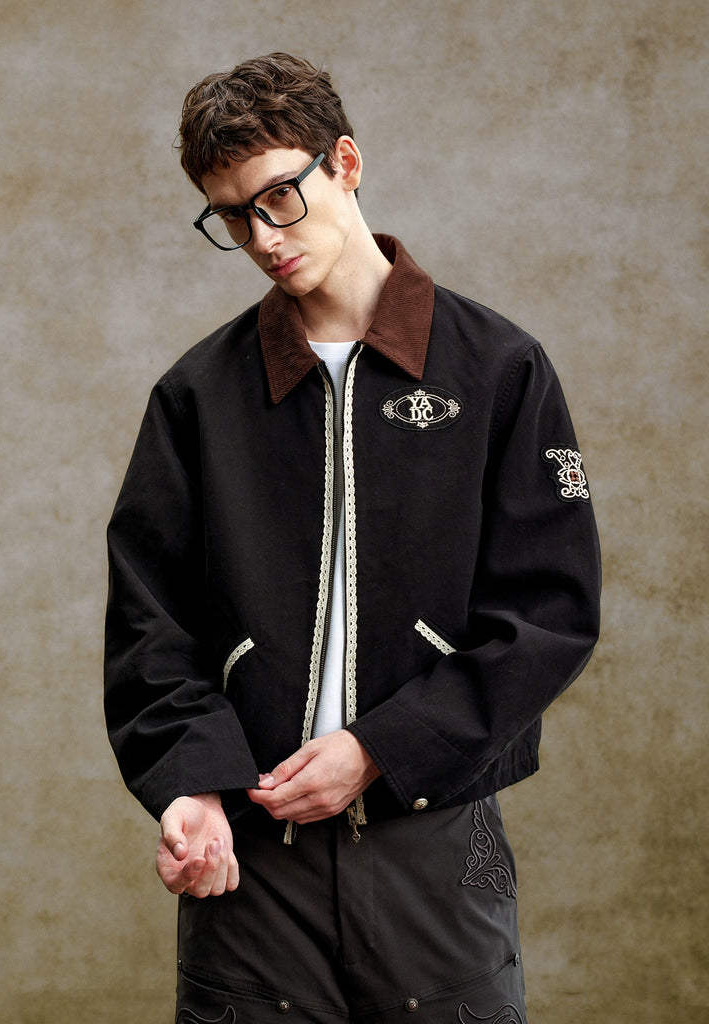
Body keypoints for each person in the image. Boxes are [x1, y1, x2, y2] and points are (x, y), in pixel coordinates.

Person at [104, 52, 601, 1024]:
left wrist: (379, 747)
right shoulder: (198, 396)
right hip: (252, 864)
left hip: (438, 846)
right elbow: (149, 621)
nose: (263, 238)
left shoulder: (500, 371)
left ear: (345, 162)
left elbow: (550, 614)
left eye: (278, 198)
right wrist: (190, 785)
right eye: (232, 217)